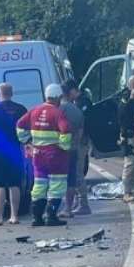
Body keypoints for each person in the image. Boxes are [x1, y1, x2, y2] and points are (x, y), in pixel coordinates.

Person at [17, 83, 72, 227]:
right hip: (56, 156)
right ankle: (51, 217)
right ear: (59, 97)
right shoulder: (57, 112)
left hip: (38, 155)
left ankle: (37, 218)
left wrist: (27, 141)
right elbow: (65, 129)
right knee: (57, 185)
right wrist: (64, 146)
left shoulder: (34, 110)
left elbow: (20, 124)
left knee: (39, 185)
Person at [0, 82, 27, 226]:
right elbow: (26, 132)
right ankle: (14, 216)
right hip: (15, 151)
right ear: (12, 93)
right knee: (15, 184)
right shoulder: (21, 109)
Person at [60, 80, 87, 218]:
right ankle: (77, 204)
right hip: (75, 146)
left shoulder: (60, 109)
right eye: (76, 90)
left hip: (61, 149)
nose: (78, 93)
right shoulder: (76, 110)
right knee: (75, 175)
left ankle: (82, 204)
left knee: (71, 177)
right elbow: (80, 131)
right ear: (70, 91)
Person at [118, 75, 134, 203]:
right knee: (130, 163)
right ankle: (126, 192)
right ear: (132, 85)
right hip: (130, 135)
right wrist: (132, 98)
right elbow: (122, 113)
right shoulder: (126, 97)